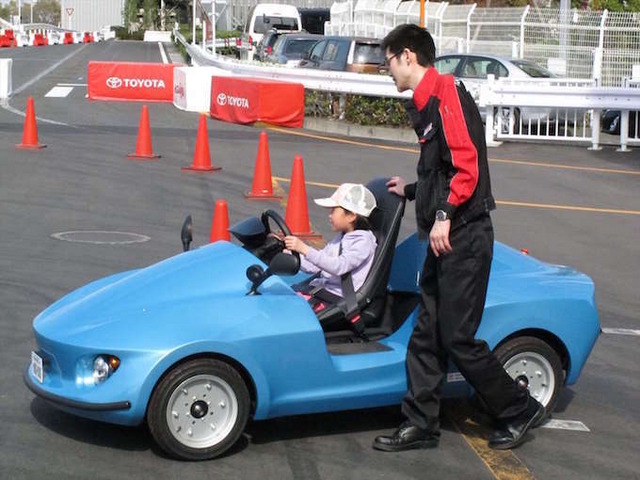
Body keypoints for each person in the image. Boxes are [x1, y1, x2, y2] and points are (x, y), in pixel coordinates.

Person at [373, 24, 545, 452]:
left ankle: (518, 407)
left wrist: (445, 214)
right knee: (427, 334)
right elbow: (442, 167)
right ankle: (421, 424)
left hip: (464, 236)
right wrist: (413, 191)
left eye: (389, 61)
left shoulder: (446, 91)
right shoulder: (427, 101)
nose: (387, 70)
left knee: (457, 338)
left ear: (408, 56)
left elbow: (467, 164)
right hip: (444, 235)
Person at [284, 183, 377, 303]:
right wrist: (288, 252)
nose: (329, 215)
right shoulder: (343, 236)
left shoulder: (362, 242)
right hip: (321, 289)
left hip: (336, 298)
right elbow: (315, 265)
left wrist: (304, 249)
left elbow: (339, 266)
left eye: (333, 210)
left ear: (351, 216)